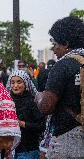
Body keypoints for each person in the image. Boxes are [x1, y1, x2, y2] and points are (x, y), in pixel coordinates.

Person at [35, 16, 84, 158]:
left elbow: (46, 107)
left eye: (55, 44)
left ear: (66, 43)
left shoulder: (63, 65)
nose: (54, 49)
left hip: (68, 141)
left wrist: (39, 97)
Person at [6, 70, 45, 159]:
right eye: (12, 82)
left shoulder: (32, 102)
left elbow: (41, 126)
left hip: (28, 151)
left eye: (19, 82)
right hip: (11, 151)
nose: (15, 86)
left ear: (26, 83)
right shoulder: (7, 102)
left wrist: (21, 123)